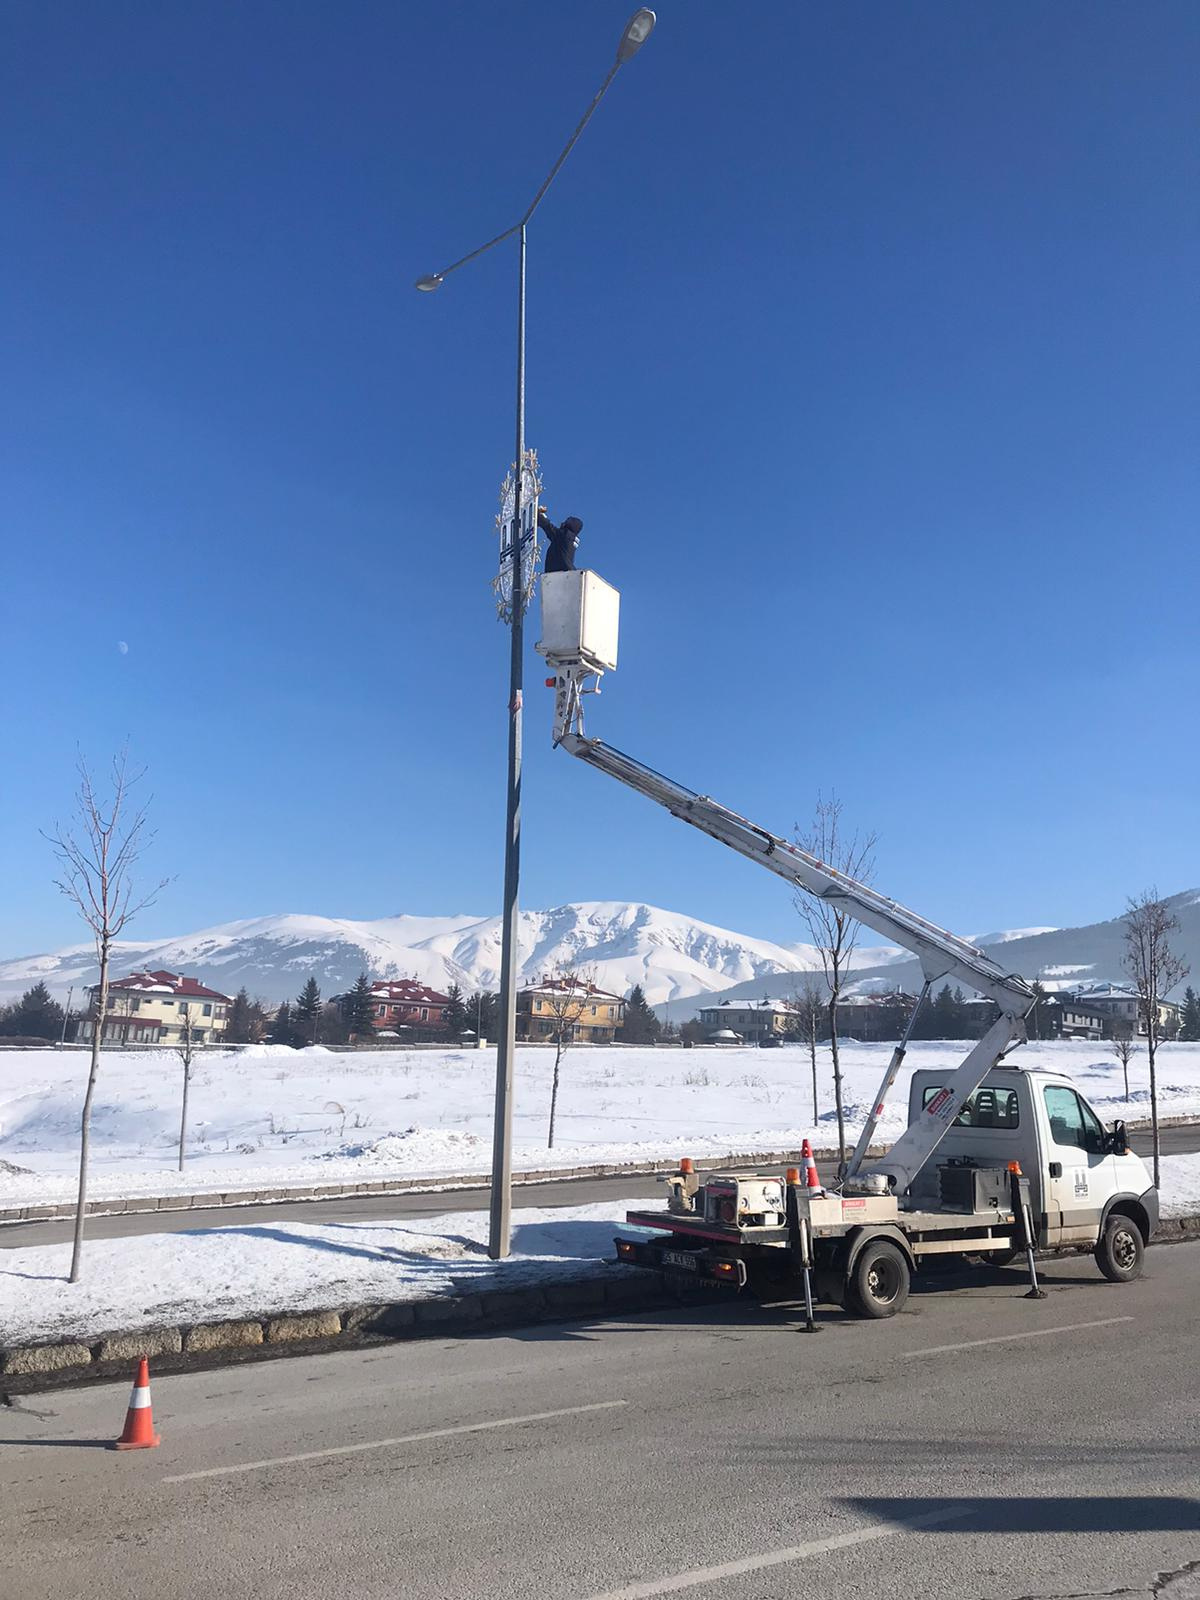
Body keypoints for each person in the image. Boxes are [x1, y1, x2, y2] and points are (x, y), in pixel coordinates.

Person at [538, 507, 583, 573]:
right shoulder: (569, 539)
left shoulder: (564, 535)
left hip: (559, 571)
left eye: (565, 522)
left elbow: (547, 526)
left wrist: (537, 515)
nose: (562, 523)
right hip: (566, 572)